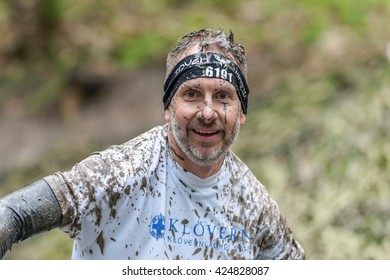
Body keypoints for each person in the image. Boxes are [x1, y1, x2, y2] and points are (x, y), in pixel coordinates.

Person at [0, 28, 305, 260]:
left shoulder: (254, 207)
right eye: (192, 95)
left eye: (223, 96)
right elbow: (13, 214)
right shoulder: (117, 175)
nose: (208, 112)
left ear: (241, 113)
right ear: (168, 108)